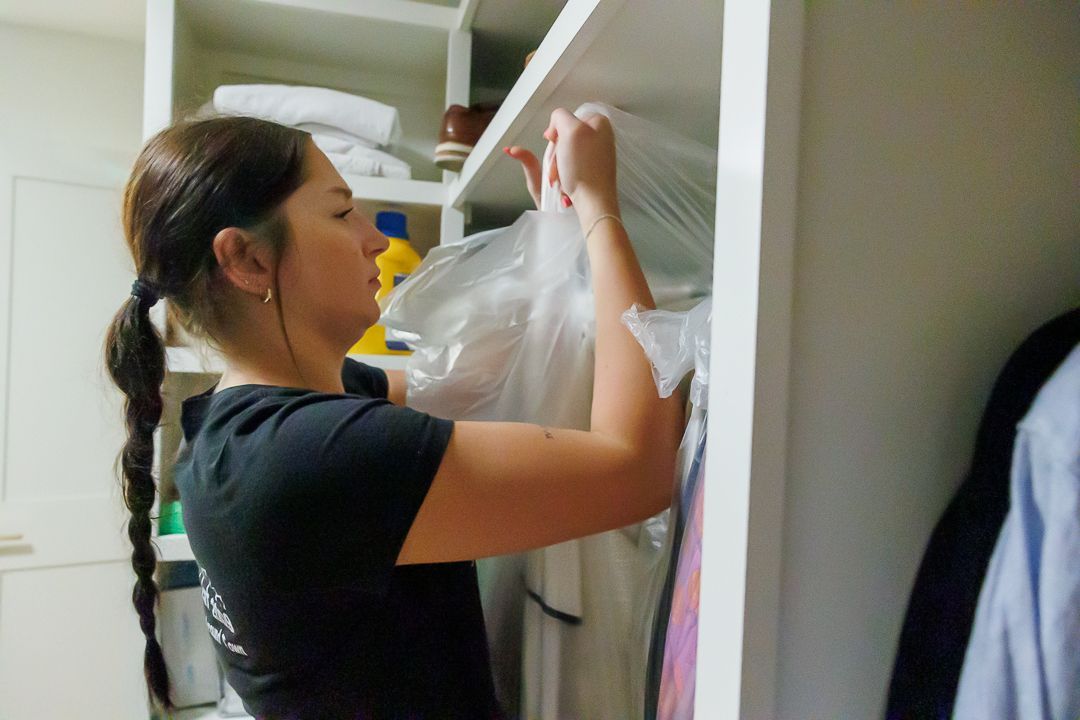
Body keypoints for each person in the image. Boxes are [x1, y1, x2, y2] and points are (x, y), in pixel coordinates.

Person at [104, 108, 684, 719]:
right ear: (247, 261)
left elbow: (478, 383)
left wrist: (557, 241)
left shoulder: (259, 424)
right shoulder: (307, 456)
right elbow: (638, 469)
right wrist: (600, 208)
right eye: (339, 211)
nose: (373, 238)